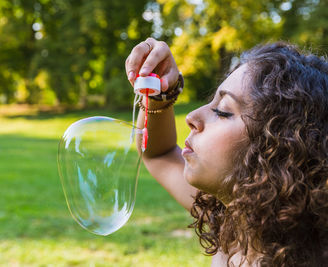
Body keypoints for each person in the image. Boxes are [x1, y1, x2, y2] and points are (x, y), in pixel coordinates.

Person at [125, 38, 328, 267]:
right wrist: (160, 92)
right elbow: (158, 153)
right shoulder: (235, 222)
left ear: (279, 147)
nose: (191, 117)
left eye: (223, 112)